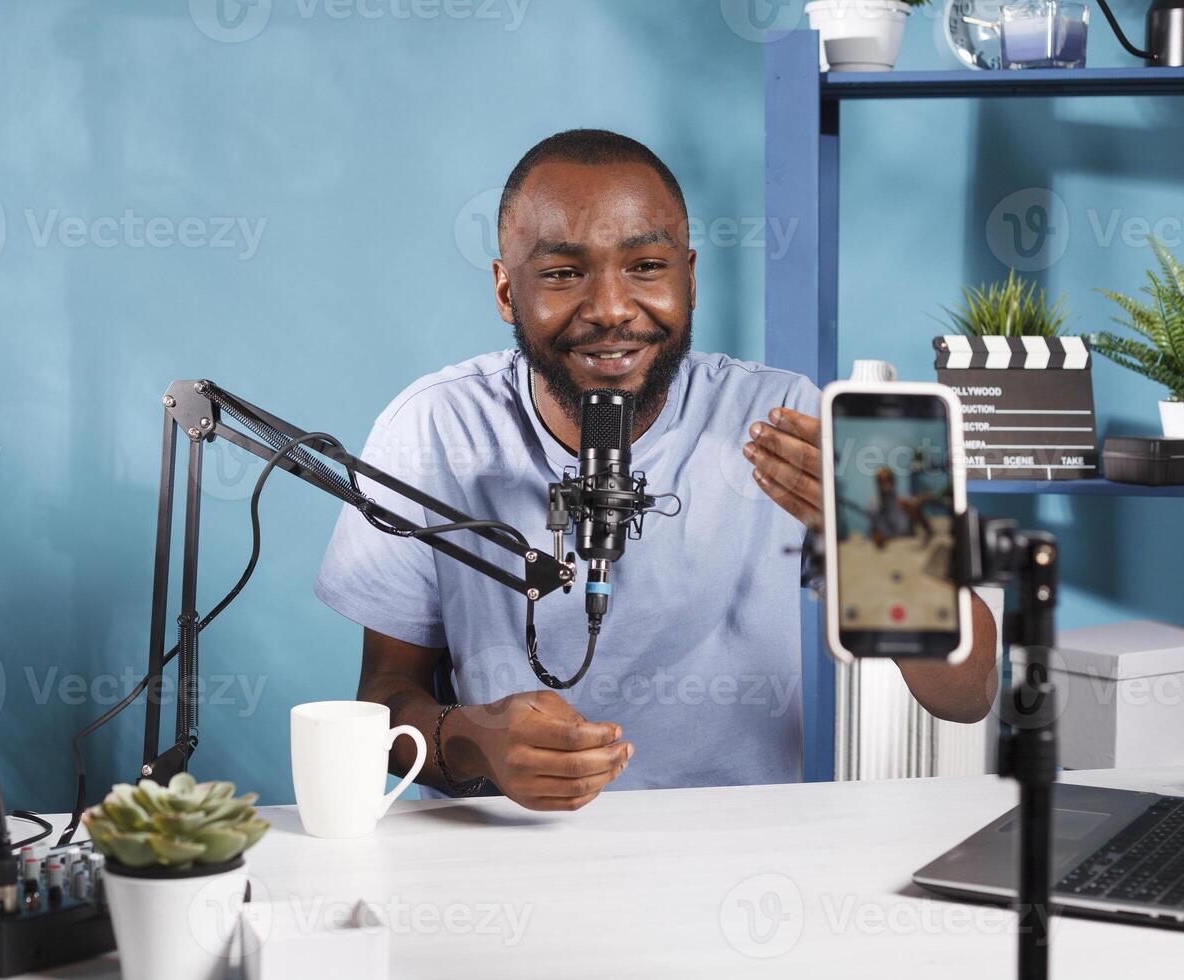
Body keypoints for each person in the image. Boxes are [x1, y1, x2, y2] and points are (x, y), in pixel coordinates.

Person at [317, 129, 998, 812]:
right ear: (505, 290)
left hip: (740, 860)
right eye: (562, 273)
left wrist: (885, 543)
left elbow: (968, 696)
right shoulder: (434, 430)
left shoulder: (786, 418)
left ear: (690, 278)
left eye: (646, 266)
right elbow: (380, 705)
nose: (611, 309)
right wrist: (472, 740)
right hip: (506, 848)